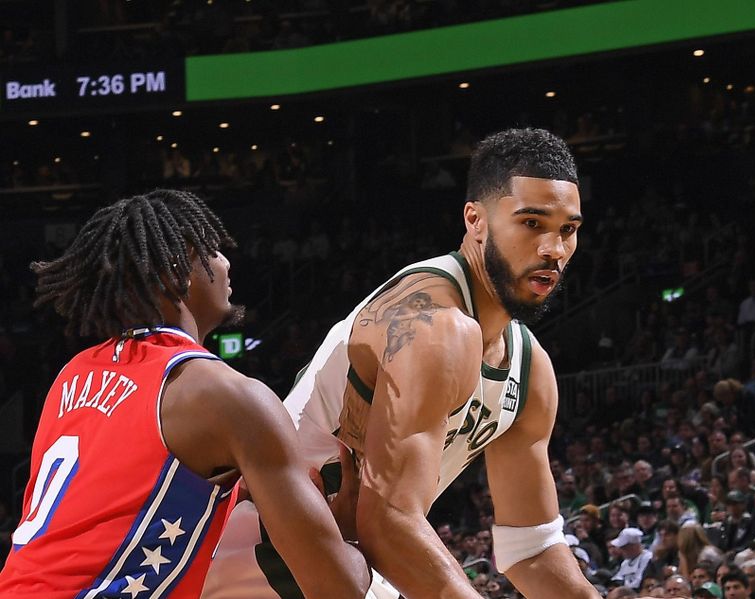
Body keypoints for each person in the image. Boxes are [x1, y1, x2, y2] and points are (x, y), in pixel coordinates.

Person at [206, 128, 599, 598]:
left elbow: (531, 548)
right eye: (531, 223)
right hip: (258, 566)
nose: (553, 250)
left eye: (567, 230)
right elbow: (387, 524)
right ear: (475, 220)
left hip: (350, 568)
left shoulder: (530, 368)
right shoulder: (433, 324)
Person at [0, 190, 370, 598]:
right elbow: (338, 588)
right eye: (211, 251)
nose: (227, 263)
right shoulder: (229, 397)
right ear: (176, 272)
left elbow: (136, 489)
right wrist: (354, 537)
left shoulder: (72, 376)